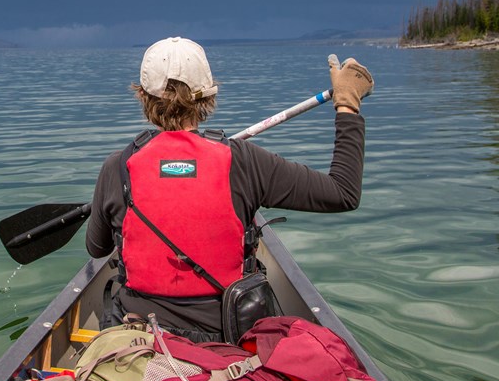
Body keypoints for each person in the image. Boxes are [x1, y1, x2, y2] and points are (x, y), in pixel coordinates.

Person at [86, 36, 374, 342]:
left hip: (139, 337)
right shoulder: (245, 161)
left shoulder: (117, 167)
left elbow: (97, 249)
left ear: (143, 96)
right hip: (229, 336)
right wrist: (347, 105)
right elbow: (343, 192)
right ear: (208, 95)